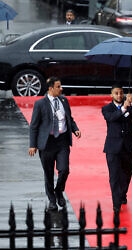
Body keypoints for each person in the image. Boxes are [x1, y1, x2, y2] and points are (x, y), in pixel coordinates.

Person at [28, 77, 81, 211]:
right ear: (51, 88)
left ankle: (59, 191)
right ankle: (52, 200)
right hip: (47, 143)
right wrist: (32, 144)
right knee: (49, 173)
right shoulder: (40, 104)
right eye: (58, 86)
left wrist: (75, 129)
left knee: (64, 170)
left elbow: (69, 118)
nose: (61, 88)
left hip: (62, 141)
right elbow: (34, 126)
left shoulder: (64, 100)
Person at [102, 85, 132, 212]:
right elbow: (112, 118)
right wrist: (124, 107)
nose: (119, 95)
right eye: (116, 93)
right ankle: (116, 202)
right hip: (113, 147)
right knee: (114, 175)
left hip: (129, 145)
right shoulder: (107, 108)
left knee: (127, 173)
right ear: (111, 95)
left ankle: (122, 194)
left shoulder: (129, 105)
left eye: (121, 93)